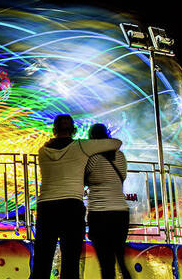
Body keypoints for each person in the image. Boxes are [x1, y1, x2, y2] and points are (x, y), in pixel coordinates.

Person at [31, 115, 122, 279]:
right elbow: (116, 143)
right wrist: (94, 144)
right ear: (73, 130)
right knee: (71, 261)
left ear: (54, 130)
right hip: (71, 207)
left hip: (46, 207)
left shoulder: (42, 151)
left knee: (42, 260)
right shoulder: (81, 146)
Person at [85, 123, 131, 279]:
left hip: (100, 213)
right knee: (121, 260)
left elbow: (84, 179)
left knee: (106, 264)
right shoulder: (121, 156)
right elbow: (122, 177)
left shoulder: (92, 158)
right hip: (121, 213)